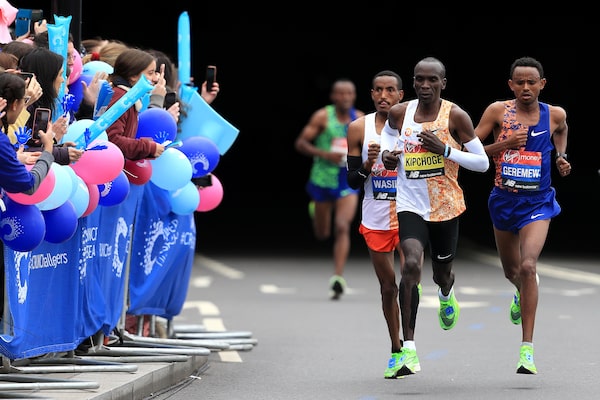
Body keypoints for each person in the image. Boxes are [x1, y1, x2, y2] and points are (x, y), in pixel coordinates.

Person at [379, 57, 489, 376]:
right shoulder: (400, 112)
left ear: (443, 83)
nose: (425, 85)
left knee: (441, 273)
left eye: (432, 80)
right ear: (413, 82)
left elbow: (482, 163)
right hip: (410, 204)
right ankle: (409, 350)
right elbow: (388, 136)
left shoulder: (456, 116)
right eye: (419, 79)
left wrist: (445, 151)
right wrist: (387, 155)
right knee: (411, 264)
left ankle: (445, 292)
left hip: (445, 207)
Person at [474, 56, 570, 375]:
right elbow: (468, 149)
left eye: (532, 82)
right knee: (512, 271)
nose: (526, 87)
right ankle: (520, 291)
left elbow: (562, 130)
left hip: (537, 202)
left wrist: (561, 155)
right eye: (520, 82)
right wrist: (502, 145)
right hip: (503, 200)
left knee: (529, 266)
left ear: (542, 84)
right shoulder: (497, 112)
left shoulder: (554, 114)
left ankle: (526, 350)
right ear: (511, 85)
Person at [346, 70, 411, 378]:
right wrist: (368, 165)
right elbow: (351, 181)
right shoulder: (358, 128)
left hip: (409, 212)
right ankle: (396, 349)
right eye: (378, 90)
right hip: (375, 217)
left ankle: (409, 346)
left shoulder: (413, 125)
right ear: (372, 94)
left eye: (390, 90)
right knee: (388, 288)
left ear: (401, 95)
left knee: (410, 277)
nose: (384, 95)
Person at [295, 78, 364, 300]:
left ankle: (338, 277)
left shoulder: (360, 119)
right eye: (341, 93)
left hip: (347, 180)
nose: (345, 97)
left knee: (342, 226)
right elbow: (301, 143)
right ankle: (315, 209)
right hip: (322, 179)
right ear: (333, 96)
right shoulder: (322, 117)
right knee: (323, 233)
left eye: (349, 93)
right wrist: (325, 155)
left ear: (354, 96)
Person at [105, 47, 166, 161]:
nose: (155, 79)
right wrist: (148, 147)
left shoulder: (129, 98)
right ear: (133, 76)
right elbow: (112, 139)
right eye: (150, 73)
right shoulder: (121, 98)